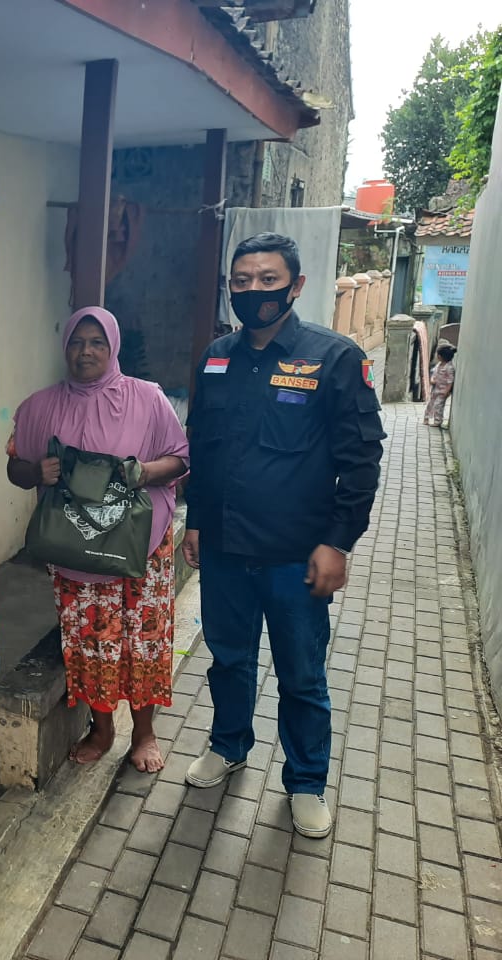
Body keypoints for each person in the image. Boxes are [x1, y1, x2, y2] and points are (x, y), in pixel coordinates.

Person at [182, 232, 385, 839]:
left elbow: (362, 459)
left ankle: (306, 781)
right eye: (242, 281)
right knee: (229, 659)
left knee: (301, 673)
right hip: (224, 549)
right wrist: (196, 521)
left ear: (295, 286)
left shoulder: (334, 358)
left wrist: (337, 542)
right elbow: (203, 448)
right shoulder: (216, 358)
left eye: (268, 280)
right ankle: (228, 745)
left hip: (295, 556)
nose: (254, 291)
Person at [9, 307, 190, 773]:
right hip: (77, 548)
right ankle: (102, 729)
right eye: (76, 342)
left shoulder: (147, 398)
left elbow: (180, 459)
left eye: (96, 342)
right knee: (92, 644)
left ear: (113, 347)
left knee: (143, 641)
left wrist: (144, 472)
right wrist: (35, 471)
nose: (85, 351)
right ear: (64, 347)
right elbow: (15, 467)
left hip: (139, 547)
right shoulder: (41, 406)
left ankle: (144, 733)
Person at [424, 343, 456, 427]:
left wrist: (447, 391)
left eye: (438, 354)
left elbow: (450, 381)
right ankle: (426, 418)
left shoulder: (449, 368)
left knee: (438, 406)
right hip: (435, 389)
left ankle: (437, 421)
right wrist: (432, 380)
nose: (437, 356)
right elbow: (434, 373)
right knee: (430, 404)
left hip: (442, 391)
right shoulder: (438, 365)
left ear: (441, 356)